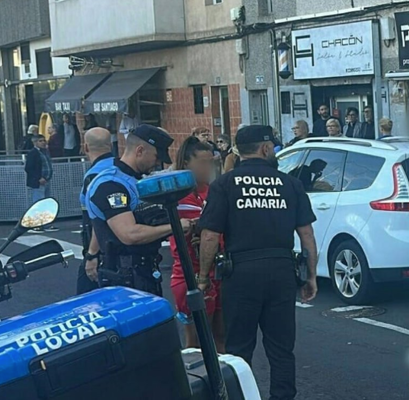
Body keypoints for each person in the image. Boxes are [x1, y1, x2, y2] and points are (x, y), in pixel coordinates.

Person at [197, 125, 318, 400]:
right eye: (273, 147)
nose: (274, 151)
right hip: (281, 271)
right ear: (264, 148)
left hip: (240, 273)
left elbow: (210, 235)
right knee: (281, 348)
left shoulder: (224, 184)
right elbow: (307, 234)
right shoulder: (290, 184)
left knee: (239, 348)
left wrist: (203, 277)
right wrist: (310, 275)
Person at [84, 125, 175, 296]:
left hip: (145, 271)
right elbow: (129, 234)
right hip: (123, 276)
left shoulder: (134, 180)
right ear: (140, 150)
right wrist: (177, 226)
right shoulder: (110, 184)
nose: (158, 163)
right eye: (156, 157)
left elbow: (106, 221)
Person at [171, 136, 226, 352]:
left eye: (210, 162)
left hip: (219, 272)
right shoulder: (177, 195)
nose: (208, 167)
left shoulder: (214, 190)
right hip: (190, 274)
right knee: (196, 344)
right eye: (202, 162)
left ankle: (224, 384)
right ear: (186, 163)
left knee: (221, 337)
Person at [78, 127, 115, 294]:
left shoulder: (94, 176)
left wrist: (92, 254)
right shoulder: (119, 168)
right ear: (111, 146)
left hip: (102, 250)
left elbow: (99, 220)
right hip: (120, 246)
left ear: (85, 147)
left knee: (86, 301)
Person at [25, 134, 53, 207]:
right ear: (35, 142)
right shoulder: (32, 153)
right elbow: (29, 168)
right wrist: (38, 178)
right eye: (40, 141)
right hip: (39, 182)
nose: (43, 142)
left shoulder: (45, 152)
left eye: (44, 140)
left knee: (46, 200)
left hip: (46, 180)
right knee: (39, 201)